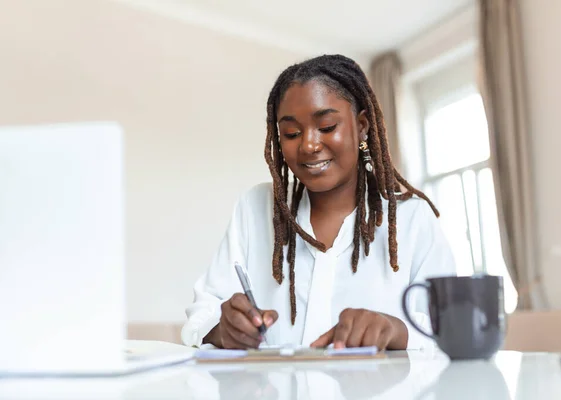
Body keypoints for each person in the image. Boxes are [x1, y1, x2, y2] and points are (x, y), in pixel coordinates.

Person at [181, 54, 456, 351]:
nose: (309, 145)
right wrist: (222, 331)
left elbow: (451, 330)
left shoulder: (412, 219)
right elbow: (201, 316)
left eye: (326, 127)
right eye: (291, 133)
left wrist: (396, 330)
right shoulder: (255, 209)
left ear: (362, 126)